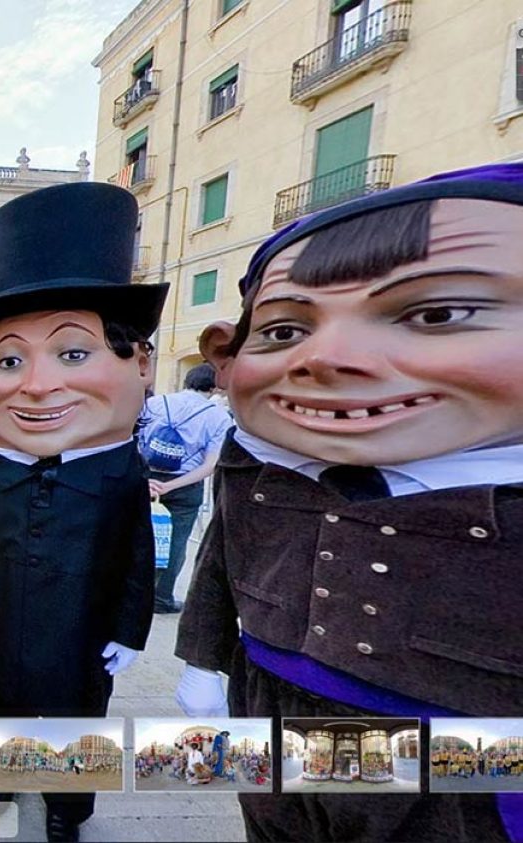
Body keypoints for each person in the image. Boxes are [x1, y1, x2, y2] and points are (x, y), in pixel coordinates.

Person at [174, 163, 523, 840]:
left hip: (457, 746)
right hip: (270, 699)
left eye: (437, 313)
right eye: (281, 331)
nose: (328, 358)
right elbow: (224, 558)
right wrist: (201, 660)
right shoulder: (255, 461)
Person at [0, 183, 162, 843]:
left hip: (80, 633)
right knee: (4, 702)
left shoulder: (122, 469)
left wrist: (130, 628)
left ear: (138, 362)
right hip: (4, 626)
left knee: (75, 720)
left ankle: (67, 808)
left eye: (72, 352)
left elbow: (136, 554)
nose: (38, 383)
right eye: (10, 359)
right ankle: (6, 772)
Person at [136, 363, 232, 613]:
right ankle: (161, 599)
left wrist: (144, 479)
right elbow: (210, 465)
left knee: (132, 535)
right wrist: (170, 486)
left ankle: (127, 593)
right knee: (176, 543)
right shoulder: (218, 416)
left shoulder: (155, 404)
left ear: (187, 380)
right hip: (184, 484)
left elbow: (131, 441)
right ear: (213, 387)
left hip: (144, 479)